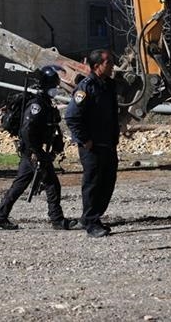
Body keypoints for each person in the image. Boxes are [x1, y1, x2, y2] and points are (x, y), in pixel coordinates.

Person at [0, 65, 77, 231]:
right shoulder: (37, 105)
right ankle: (57, 220)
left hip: (34, 151)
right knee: (52, 184)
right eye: (53, 86)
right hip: (34, 151)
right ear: (46, 86)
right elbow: (26, 130)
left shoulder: (46, 103)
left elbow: (51, 127)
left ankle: (0, 216)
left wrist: (56, 145)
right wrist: (37, 153)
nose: (55, 90)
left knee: (20, 184)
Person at [65, 49, 120, 238]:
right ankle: (90, 222)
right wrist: (84, 139)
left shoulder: (109, 85)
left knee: (107, 182)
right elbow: (72, 116)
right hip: (92, 146)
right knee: (93, 183)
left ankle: (95, 217)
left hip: (108, 143)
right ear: (97, 67)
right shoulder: (85, 87)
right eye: (108, 63)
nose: (112, 66)